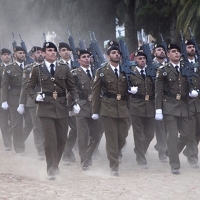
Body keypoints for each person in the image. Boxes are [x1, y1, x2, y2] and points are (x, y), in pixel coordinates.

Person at [26, 42, 80, 180]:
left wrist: (75, 102)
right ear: (43, 53)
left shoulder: (64, 68)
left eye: (54, 50)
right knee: (50, 140)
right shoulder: (37, 69)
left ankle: (55, 164)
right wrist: (35, 96)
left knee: (62, 139)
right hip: (45, 108)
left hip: (62, 107)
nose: (53, 53)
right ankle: (51, 168)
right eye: (49, 50)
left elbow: (72, 87)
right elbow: (29, 87)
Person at [155, 44, 196, 175]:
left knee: (187, 134)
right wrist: (158, 110)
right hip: (169, 106)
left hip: (184, 106)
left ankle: (170, 152)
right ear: (168, 54)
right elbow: (158, 92)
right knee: (172, 136)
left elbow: (189, 84)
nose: (177, 53)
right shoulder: (163, 70)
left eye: (178, 51)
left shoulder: (185, 68)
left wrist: (191, 92)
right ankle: (175, 165)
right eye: (173, 51)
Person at [92, 45, 130, 176]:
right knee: (112, 138)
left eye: (118, 53)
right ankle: (114, 166)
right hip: (108, 108)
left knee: (122, 138)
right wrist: (95, 111)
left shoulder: (126, 70)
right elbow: (96, 92)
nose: (117, 55)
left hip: (123, 108)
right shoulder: (101, 71)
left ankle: (115, 154)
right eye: (113, 53)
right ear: (108, 56)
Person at [72, 49, 102, 170]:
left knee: (97, 135)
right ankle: (84, 160)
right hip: (82, 106)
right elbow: (72, 89)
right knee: (83, 136)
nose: (86, 59)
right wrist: (73, 103)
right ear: (79, 60)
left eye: (88, 56)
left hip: (95, 106)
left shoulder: (97, 71)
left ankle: (88, 155)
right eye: (83, 57)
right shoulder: (75, 73)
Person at [128, 51, 155, 168]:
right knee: (138, 134)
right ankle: (141, 159)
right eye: (139, 58)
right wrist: (130, 90)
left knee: (149, 134)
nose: (142, 60)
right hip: (136, 105)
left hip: (150, 106)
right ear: (135, 60)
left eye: (144, 58)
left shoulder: (151, 72)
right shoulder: (130, 73)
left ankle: (140, 150)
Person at [1, 46, 29, 155]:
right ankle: (19, 148)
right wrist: (4, 101)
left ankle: (20, 140)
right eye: (20, 53)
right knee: (17, 124)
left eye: (23, 53)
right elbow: (4, 85)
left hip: (27, 98)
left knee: (30, 122)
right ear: (15, 55)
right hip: (14, 98)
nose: (22, 55)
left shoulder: (29, 67)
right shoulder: (9, 68)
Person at [19, 46, 45, 160]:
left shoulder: (49, 67)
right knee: (37, 127)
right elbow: (25, 86)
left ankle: (48, 147)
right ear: (32, 56)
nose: (40, 54)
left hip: (47, 101)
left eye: (41, 52)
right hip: (33, 101)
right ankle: (40, 150)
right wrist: (21, 103)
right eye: (37, 53)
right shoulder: (28, 68)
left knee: (47, 126)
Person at [58, 42, 77, 165]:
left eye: (68, 50)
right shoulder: (56, 65)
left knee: (75, 128)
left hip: (74, 101)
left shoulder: (76, 64)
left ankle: (68, 150)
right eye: (63, 50)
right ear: (59, 52)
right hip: (61, 101)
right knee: (63, 129)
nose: (66, 52)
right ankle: (65, 153)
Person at [182, 39, 199, 168]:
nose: (192, 49)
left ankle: (187, 151)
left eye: (193, 47)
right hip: (187, 103)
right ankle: (193, 157)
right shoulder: (182, 65)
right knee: (191, 131)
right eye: (189, 47)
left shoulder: (198, 64)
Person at [152, 44, 168, 162]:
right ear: (154, 53)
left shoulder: (169, 65)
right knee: (160, 128)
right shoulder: (150, 65)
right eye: (159, 50)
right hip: (155, 100)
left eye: (163, 50)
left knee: (169, 128)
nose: (161, 52)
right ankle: (162, 151)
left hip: (170, 101)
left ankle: (165, 148)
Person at [0, 48, 12, 151]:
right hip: (2, 98)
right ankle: (7, 143)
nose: (7, 56)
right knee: (3, 121)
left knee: (14, 120)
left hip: (13, 97)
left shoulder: (14, 67)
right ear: (1, 57)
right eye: (4, 54)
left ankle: (12, 137)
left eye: (8, 54)